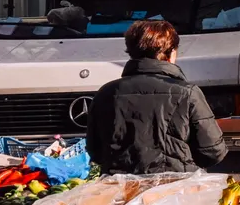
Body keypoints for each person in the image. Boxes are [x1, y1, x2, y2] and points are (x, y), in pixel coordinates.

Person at [87, 21, 226, 174]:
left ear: (131, 51)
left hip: (121, 192)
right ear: (171, 52)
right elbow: (213, 151)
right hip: (177, 189)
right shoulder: (188, 93)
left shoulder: (106, 93)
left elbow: (96, 152)